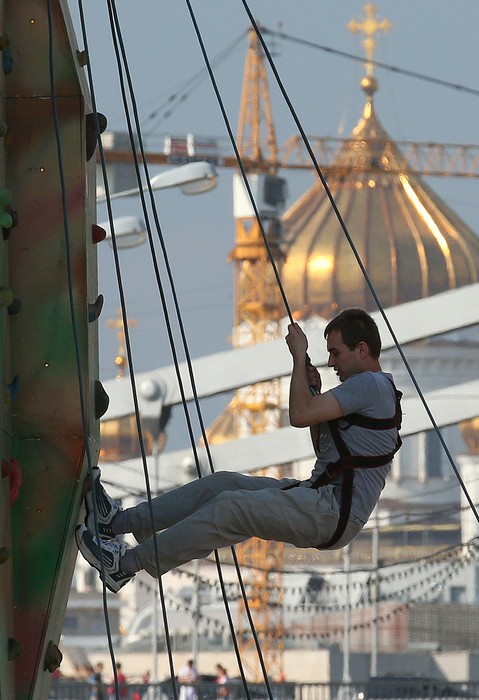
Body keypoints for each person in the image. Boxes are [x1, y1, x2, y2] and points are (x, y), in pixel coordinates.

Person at [75, 308, 402, 592]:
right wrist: (312, 387)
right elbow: (324, 449)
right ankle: (116, 523)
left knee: (231, 508)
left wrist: (298, 357)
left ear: (361, 350)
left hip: (331, 511)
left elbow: (299, 415)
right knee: (221, 484)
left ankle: (124, 565)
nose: (331, 362)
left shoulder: (370, 384)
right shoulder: (368, 391)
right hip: (320, 500)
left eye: (336, 353)